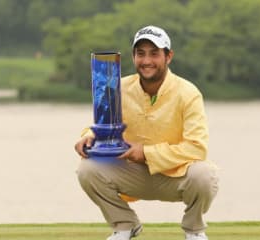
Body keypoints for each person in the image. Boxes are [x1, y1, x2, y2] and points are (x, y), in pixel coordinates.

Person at [74, 25, 219, 240]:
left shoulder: (188, 93)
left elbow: (196, 148)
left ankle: (194, 230)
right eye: (140, 53)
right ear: (133, 57)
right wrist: (89, 136)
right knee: (87, 169)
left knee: (205, 175)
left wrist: (146, 153)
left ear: (168, 56)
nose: (147, 60)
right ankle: (125, 225)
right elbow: (102, 123)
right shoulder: (118, 87)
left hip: (175, 175)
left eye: (154, 53)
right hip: (131, 173)